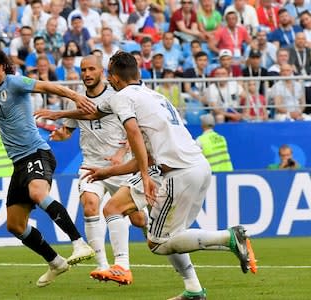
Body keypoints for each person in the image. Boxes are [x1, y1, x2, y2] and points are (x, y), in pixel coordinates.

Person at [57, 51, 257, 299]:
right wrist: (60, 116)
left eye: (109, 72)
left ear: (115, 78)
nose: (107, 77)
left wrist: (144, 174)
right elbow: (96, 113)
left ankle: (228, 237)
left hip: (176, 172)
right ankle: (193, 288)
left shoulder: (123, 98)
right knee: (137, 220)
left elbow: (133, 134)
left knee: (152, 238)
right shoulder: (154, 96)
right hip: (195, 166)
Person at [0, 35, 96, 287]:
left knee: (37, 191)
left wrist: (75, 97)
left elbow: (47, 87)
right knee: (15, 225)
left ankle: (79, 243)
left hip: (38, 153)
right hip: (19, 163)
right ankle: (55, 262)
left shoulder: (16, 82)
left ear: (3, 67)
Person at [34, 55, 159, 276]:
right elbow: (69, 129)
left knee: (136, 218)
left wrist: (121, 153)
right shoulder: (78, 101)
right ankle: (103, 265)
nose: (87, 74)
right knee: (90, 205)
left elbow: (134, 130)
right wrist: (60, 134)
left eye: (91, 69)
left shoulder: (117, 97)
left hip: (119, 167)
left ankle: (148, 226)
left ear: (102, 72)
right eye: (83, 70)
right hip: (90, 165)